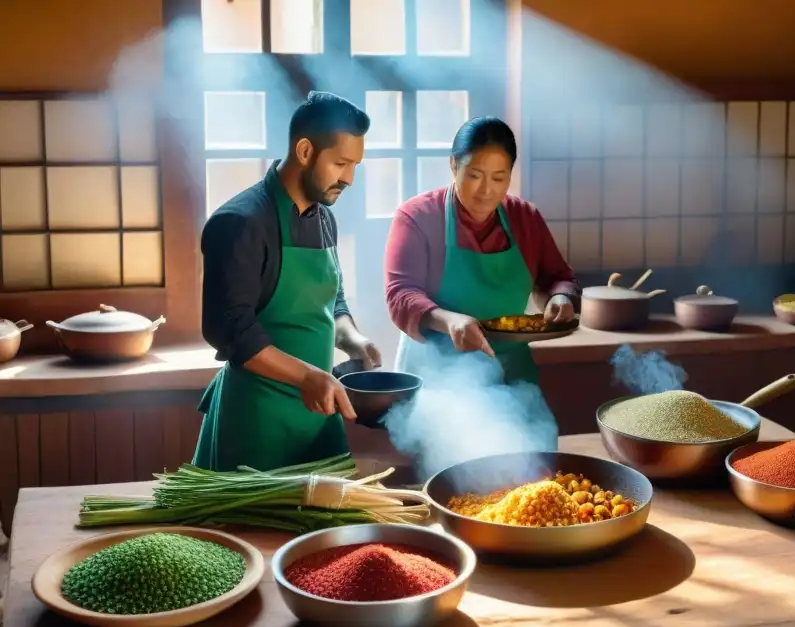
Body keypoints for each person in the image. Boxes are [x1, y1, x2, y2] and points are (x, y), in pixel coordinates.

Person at [194, 91, 381, 472]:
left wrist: (352, 339)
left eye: (355, 165)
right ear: (306, 151)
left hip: (316, 412)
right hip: (258, 422)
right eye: (341, 163)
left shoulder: (324, 216)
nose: (350, 178)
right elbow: (232, 331)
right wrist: (308, 375)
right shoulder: (240, 223)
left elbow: (334, 301)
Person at [384, 116, 579, 386]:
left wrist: (560, 298)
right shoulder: (418, 216)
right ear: (454, 165)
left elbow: (558, 277)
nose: (486, 190)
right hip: (435, 375)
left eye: (499, 178)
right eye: (474, 175)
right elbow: (400, 294)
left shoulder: (525, 218)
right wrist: (449, 321)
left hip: (510, 374)